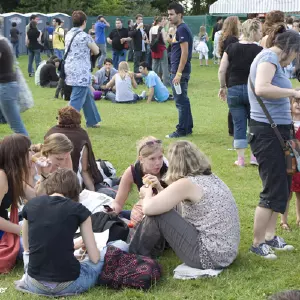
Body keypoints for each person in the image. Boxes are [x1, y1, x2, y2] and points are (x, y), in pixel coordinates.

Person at [15, 168, 128, 297]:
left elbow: (28, 250)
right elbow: (95, 258)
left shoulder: (31, 205)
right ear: (75, 191)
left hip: (34, 284)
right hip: (70, 283)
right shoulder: (79, 210)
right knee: (119, 245)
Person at [129, 140, 240, 270]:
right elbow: (177, 208)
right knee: (161, 211)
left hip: (208, 257)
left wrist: (147, 193)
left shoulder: (186, 183)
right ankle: (142, 251)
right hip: (226, 253)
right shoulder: (210, 177)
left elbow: (149, 209)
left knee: (157, 214)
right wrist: (159, 188)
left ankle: (133, 256)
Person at [248, 30, 300, 259]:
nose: (295, 59)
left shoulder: (270, 58)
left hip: (277, 131)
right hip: (268, 133)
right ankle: (258, 242)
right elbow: (261, 87)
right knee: (272, 187)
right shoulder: (268, 58)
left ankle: (269, 236)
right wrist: (293, 92)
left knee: (281, 185)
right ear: (289, 48)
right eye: (296, 53)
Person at [218, 19, 263, 166]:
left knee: (238, 124)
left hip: (234, 89)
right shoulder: (259, 51)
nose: (262, 34)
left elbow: (222, 69)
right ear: (254, 31)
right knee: (254, 123)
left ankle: (241, 159)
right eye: (260, 31)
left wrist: (222, 86)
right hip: (253, 90)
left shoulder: (231, 48)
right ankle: (255, 157)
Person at [44, 106, 108, 192]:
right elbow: (84, 169)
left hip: (49, 178)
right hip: (72, 180)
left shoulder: (50, 132)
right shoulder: (81, 135)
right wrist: (92, 192)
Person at [111, 137, 168, 219]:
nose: (158, 163)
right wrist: (112, 210)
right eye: (152, 159)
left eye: (160, 157)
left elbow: (177, 206)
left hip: (166, 216)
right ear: (141, 159)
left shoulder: (169, 171)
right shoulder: (133, 171)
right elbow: (118, 203)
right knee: (117, 216)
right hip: (146, 211)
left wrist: (159, 187)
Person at [0, 134, 34, 271]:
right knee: (37, 243)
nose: (33, 154)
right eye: (29, 150)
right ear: (19, 155)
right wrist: (22, 231)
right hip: (3, 232)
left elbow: (39, 199)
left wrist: (41, 172)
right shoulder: (2, 177)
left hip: (6, 227)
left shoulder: (13, 175)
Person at [65, 10, 101, 128]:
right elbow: (96, 51)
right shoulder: (85, 36)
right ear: (84, 22)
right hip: (81, 71)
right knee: (76, 99)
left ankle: (92, 120)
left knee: (87, 95)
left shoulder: (68, 34)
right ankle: (66, 122)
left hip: (69, 69)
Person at [166, 3, 193, 138]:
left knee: (180, 102)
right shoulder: (180, 29)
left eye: (171, 14)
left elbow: (185, 53)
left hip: (179, 72)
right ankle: (188, 127)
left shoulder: (182, 29)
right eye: (168, 14)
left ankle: (182, 130)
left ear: (179, 14)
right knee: (183, 100)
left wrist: (178, 73)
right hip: (178, 70)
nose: (169, 17)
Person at [0, 34, 28, 136]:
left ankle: (27, 149)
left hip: (6, 87)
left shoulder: (1, 43)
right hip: (6, 86)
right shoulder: (3, 41)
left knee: (17, 127)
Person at [219, 16, 240, 137]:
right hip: (231, 72)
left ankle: (232, 129)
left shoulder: (226, 38)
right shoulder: (232, 40)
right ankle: (232, 129)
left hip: (228, 72)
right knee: (234, 104)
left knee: (232, 103)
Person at [280, 97, 300, 231]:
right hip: (288, 161)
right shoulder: (286, 122)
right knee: (287, 193)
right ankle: (283, 221)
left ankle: (299, 218)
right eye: (296, 102)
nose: (299, 105)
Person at [149, 16, 169, 87]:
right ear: (160, 22)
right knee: (164, 66)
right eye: (163, 21)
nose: (164, 22)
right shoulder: (161, 29)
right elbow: (165, 40)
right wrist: (167, 35)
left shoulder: (151, 28)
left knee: (154, 66)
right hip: (161, 48)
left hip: (154, 49)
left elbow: (150, 40)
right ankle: (166, 83)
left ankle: (153, 82)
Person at [129, 14, 148, 84]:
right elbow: (131, 34)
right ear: (136, 20)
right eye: (139, 19)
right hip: (137, 48)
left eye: (141, 19)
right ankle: (137, 80)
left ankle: (143, 79)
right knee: (137, 64)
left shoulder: (144, 27)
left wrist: (145, 38)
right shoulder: (134, 27)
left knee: (143, 65)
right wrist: (137, 28)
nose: (140, 21)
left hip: (143, 48)